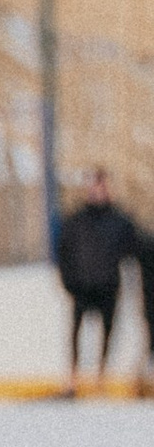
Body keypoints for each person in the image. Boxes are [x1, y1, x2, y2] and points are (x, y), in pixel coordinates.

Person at [56, 169, 140, 394]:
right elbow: (63, 252)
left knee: (107, 330)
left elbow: (134, 248)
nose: (97, 191)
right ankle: (72, 379)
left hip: (108, 285)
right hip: (81, 286)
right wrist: (68, 281)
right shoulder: (76, 220)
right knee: (75, 332)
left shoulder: (120, 220)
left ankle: (100, 378)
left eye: (101, 186)